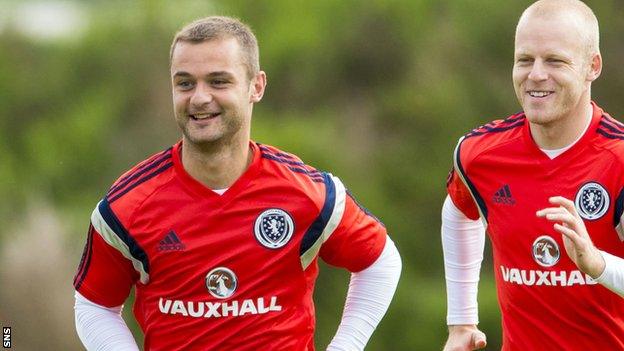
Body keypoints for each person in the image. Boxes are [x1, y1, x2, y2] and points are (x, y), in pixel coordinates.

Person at [73, 16, 401, 351]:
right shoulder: (127, 205)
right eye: (185, 83)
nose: (199, 98)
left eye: (218, 81)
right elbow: (94, 304)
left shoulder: (307, 192)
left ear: (256, 86)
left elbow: (381, 261)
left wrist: (346, 345)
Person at [442, 0, 624, 350]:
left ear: (592, 66)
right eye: (525, 60)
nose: (536, 74)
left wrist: (597, 263)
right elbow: (457, 211)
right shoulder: (479, 154)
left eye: (555, 60)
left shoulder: (618, 159)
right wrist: (461, 320)